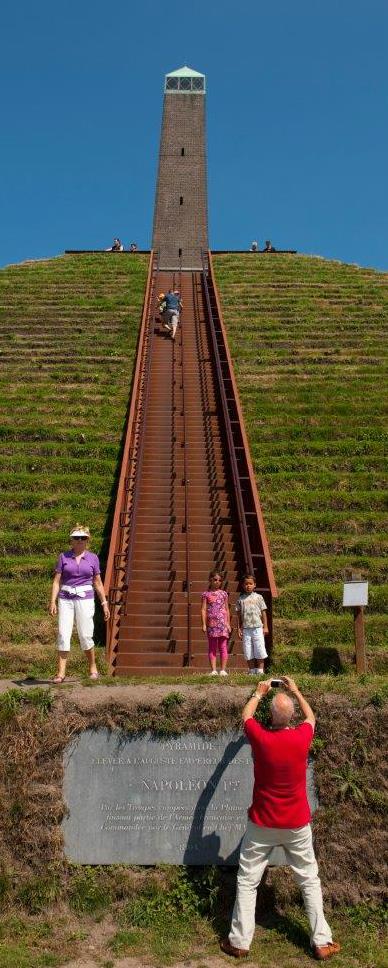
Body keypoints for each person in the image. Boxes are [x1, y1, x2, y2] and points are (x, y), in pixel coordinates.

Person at [221, 676, 340, 962]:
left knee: (248, 880)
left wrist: (259, 692)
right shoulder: (301, 736)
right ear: (291, 718)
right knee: (309, 879)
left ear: (270, 717)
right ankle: (322, 941)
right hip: (296, 823)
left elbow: (246, 715)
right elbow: (312, 716)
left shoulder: (261, 738)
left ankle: (239, 941)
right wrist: (296, 690)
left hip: (262, 822)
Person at [49, 525, 110, 683]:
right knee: (63, 634)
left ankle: (92, 667)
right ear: (71, 540)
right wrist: (52, 601)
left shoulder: (93, 558)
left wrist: (104, 603)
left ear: (87, 540)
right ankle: (61, 672)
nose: (80, 541)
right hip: (66, 598)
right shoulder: (63, 557)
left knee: (85, 634)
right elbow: (57, 581)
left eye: (83, 538)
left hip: (85, 598)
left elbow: (97, 582)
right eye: (77, 538)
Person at [236, 574, 268, 675]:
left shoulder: (259, 597)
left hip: (258, 627)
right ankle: (251, 670)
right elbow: (238, 616)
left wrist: (265, 626)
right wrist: (239, 628)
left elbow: (263, 612)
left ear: (254, 585)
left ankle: (260, 670)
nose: (248, 586)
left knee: (259, 647)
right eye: (246, 584)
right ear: (243, 585)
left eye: (250, 584)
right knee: (248, 649)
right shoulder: (240, 599)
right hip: (246, 629)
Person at [201, 570, 231, 676]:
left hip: (222, 623)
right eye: (215, 580)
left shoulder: (224, 594)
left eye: (219, 580)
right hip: (211, 624)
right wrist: (204, 624)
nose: (217, 582)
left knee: (223, 646)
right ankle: (213, 670)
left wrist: (228, 623)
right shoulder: (206, 594)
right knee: (212, 646)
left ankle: (223, 670)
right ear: (210, 580)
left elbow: (227, 609)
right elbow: (203, 609)